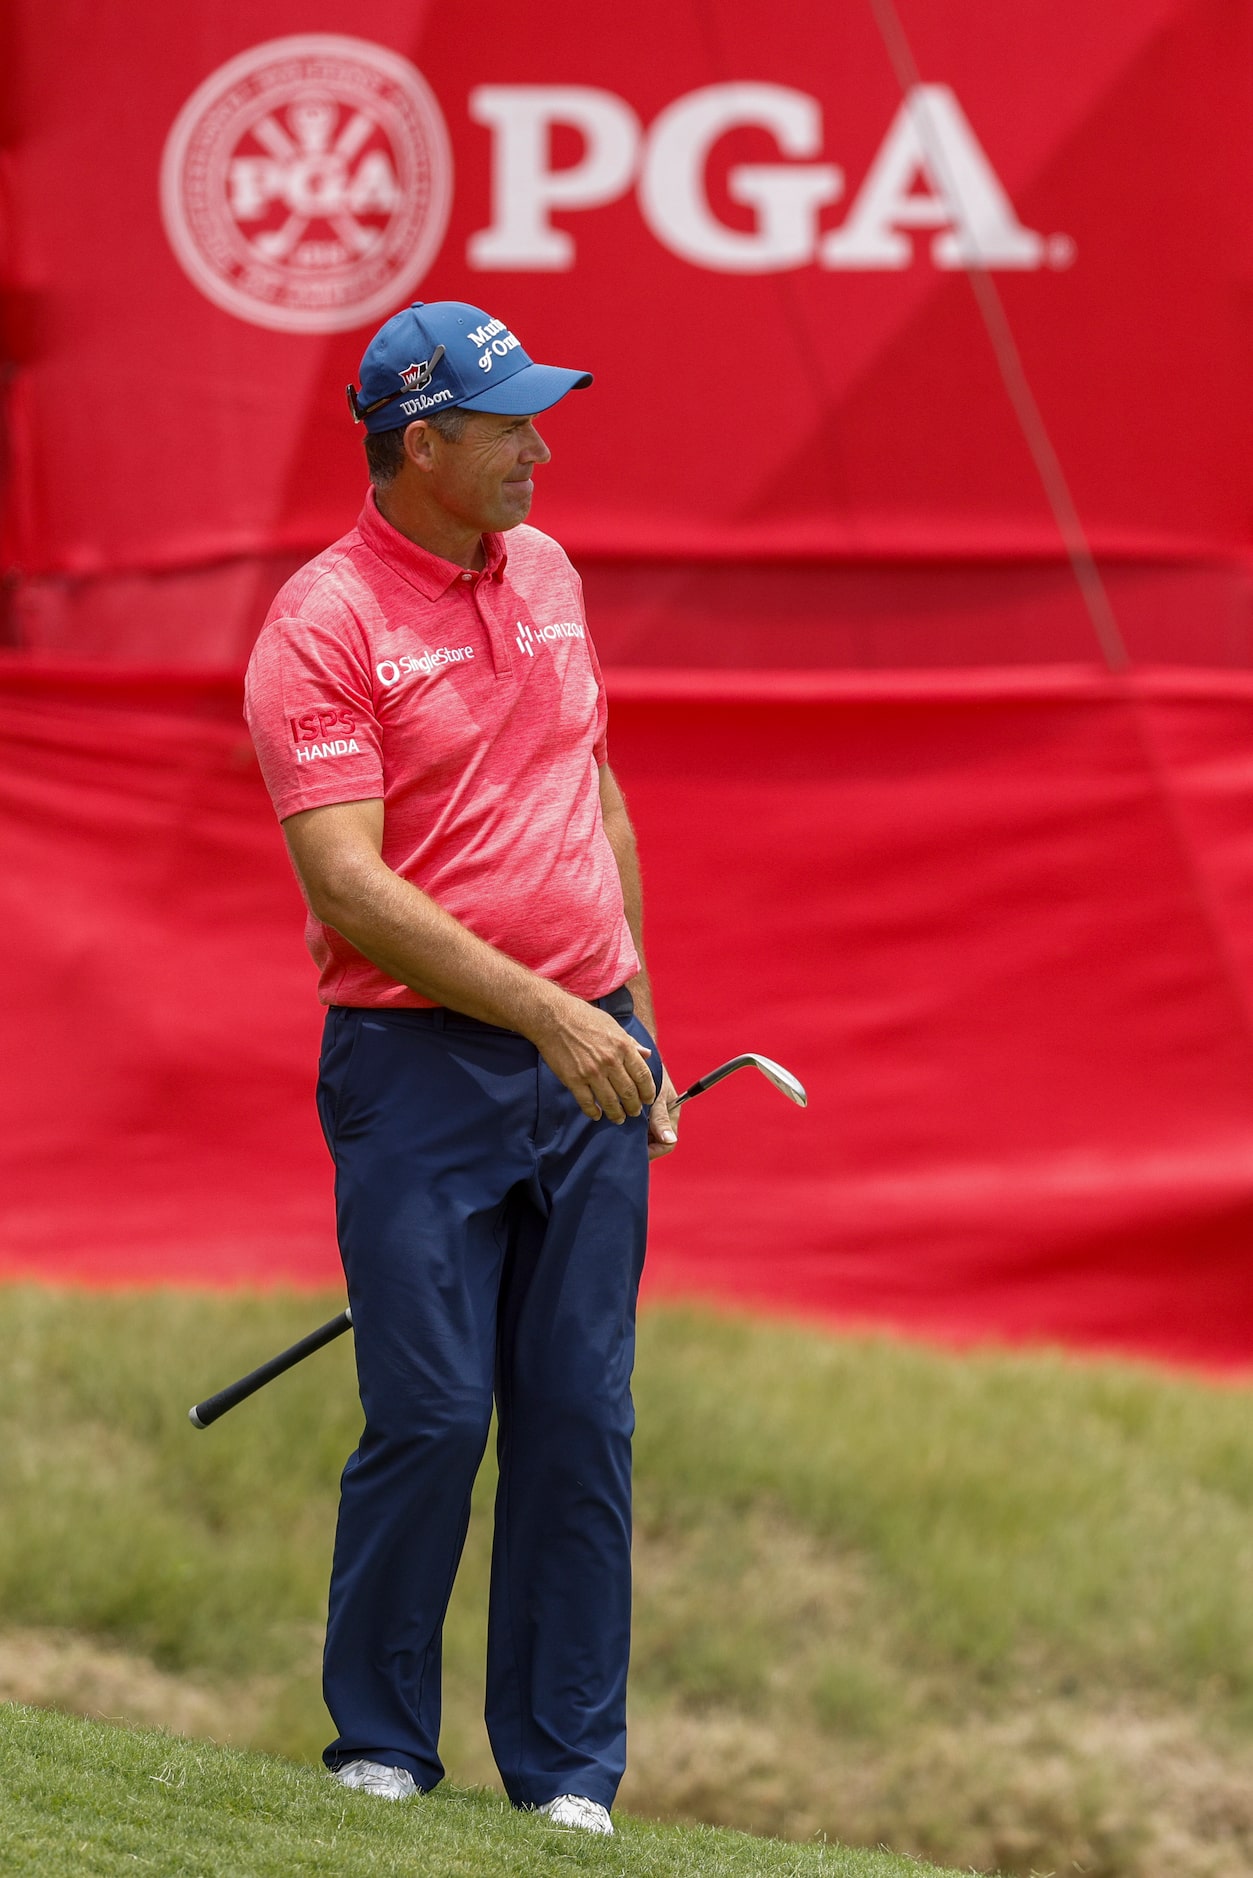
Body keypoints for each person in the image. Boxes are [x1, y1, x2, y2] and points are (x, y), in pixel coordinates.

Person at [243, 300, 679, 1838]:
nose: (539, 447)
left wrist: (630, 1008)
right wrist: (552, 1017)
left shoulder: (547, 572)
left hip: (588, 1056)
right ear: (420, 443)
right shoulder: (323, 623)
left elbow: (592, 784)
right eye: (509, 423)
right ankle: (380, 1743)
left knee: (581, 1416)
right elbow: (347, 887)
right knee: (430, 1410)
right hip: (418, 1068)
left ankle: (566, 1776)